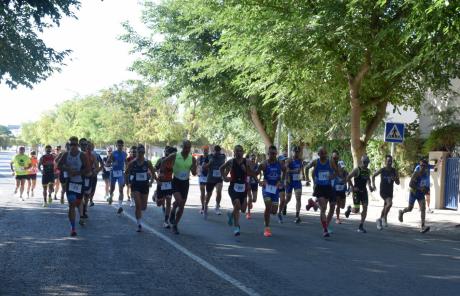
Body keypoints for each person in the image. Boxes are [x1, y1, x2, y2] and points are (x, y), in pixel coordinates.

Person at [161, 140, 197, 234]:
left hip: (185, 183)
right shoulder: (175, 155)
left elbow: (194, 172)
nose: (187, 149)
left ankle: (175, 225)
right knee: (179, 200)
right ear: (182, 147)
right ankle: (172, 211)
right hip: (176, 181)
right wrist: (161, 173)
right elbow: (163, 162)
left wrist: (194, 171)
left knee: (181, 206)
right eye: (185, 147)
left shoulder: (192, 158)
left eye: (189, 148)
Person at [220, 145, 257, 236]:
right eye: (237, 151)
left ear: (243, 152)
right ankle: (237, 227)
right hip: (233, 187)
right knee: (237, 204)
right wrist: (224, 177)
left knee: (243, 209)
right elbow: (221, 168)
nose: (238, 152)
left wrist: (246, 171)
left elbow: (252, 173)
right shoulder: (231, 162)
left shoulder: (247, 162)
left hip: (243, 187)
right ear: (234, 152)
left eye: (240, 151)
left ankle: (231, 215)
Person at [57, 136, 89, 236]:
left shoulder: (82, 155)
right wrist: (67, 170)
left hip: (79, 183)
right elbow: (58, 166)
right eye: (71, 144)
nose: (73, 146)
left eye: (75, 144)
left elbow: (88, 169)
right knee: (71, 205)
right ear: (69, 145)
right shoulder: (66, 155)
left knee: (78, 203)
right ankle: (73, 228)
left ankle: (80, 216)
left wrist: (78, 173)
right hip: (70, 183)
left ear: (78, 145)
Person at [305, 147, 339, 237]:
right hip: (319, 187)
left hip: (328, 187)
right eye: (321, 153)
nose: (323, 155)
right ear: (318, 154)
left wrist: (333, 176)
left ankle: (313, 204)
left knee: (326, 208)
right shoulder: (315, 162)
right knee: (323, 208)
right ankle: (325, 229)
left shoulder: (330, 162)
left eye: (324, 153)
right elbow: (306, 168)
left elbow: (337, 171)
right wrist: (307, 179)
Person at [257, 145, 286, 237]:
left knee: (273, 211)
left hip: (275, 189)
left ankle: (266, 215)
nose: (272, 155)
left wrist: (281, 181)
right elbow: (256, 173)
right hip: (266, 188)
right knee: (268, 205)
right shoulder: (264, 164)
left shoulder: (280, 164)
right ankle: (267, 227)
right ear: (268, 154)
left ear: (276, 154)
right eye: (271, 153)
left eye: (274, 154)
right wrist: (259, 181)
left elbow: (285, 171)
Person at [126, 144, 155, 232]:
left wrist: (151, 182)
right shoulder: (132, 162)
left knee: (144, 207)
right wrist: (128, 182)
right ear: (137, 152)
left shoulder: (147, 162)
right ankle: (139, 224)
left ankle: (154, 197)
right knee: (138, 205)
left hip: (145, 185)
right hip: (135, 186)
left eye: (142, 152)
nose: (141, 154)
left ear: (144, 153)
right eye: (139, 152)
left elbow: (153, 173)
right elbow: (126, 172)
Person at [398, 159, 431, 233]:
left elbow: (426, 184)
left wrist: (426, 189)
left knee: (423, 208)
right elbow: (410, 184)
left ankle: (422, 226)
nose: (422, 167)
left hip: (421, 194)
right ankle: (402, 212)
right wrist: (420, 188)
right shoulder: (416, 173)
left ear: (426, 167)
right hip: (413, 193)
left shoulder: (426, 174)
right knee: (410, 208)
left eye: (424, 166)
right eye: (421, 165)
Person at [345, 155, 374, 233]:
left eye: (367, 162)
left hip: (364, 191)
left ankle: (361, 225)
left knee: (365, 207)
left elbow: (368, 179)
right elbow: (348, 177)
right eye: (365, 162)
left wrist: (370, 186)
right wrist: (352, 187)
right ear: (362, 162)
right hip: (356, 192)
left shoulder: (368, 171)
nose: (366, 164)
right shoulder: (357, 170)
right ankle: (350, 209)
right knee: (357, 210)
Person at [372, 155, 400, 230]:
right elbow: (373, 176)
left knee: (386, 206)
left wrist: (395, 179)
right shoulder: (382, 170)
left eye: (390, 161)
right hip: (383, 191)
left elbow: (398, 182)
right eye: (388, 161)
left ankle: (379, 220)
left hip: (390, 191)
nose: (389, 163)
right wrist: (373, 185)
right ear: (385, 162)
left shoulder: (394, 171)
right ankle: (384, 218)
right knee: (389, 203)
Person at [155, 146, 176, 228]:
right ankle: (156, 194)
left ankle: (166, 221)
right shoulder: (161, 160)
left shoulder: (174, 162)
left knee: (168, 202)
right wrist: (157, 180)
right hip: (161, 183)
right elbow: (153, 170)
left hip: (169, 183)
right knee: (159, 204)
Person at [203, 145, 226, 218]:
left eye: (218, 151)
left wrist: (225, 174)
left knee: (219, 191)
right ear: (213, 151)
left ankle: (217, 206)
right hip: (210, 179)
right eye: (216, 151)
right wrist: (209, 163)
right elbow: (204, 166)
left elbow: (226, 165)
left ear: (220, 151)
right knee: (209, 194)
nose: (217, 153)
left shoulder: (223, 156)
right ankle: (205, 206)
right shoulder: (209, 157)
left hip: (219, 178)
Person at [285, 146, 304, 224]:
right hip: (290, 181)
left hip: (297, 182)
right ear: (292, 152)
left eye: (297, 152)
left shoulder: (300, 160)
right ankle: (284, 205)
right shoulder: (289, 160)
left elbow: (301, 169)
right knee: (288, 198)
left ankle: (297, 215)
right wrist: (293, 171)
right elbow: (286, 170)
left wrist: (304, 177)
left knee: (298, 198)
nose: (296, 153)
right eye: (295, 152)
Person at [107, 139, 127, 214]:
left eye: (121, 145)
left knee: (121, 189)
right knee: (112, 188)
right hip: (113, 173)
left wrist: (127, 171)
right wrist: (112, 163)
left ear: (123, 146)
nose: (120, 146)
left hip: (120, 173)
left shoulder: (125, 154)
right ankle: (111, 196)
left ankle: (120, 206)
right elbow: (107, 163)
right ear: (116, 146)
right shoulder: (113, 154)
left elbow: (126, 163)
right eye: (119, 145)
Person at [334, 160, 348, 224]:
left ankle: (348, 209)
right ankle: (337, 218)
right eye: (341, 167)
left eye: (343, 167)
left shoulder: (346, 173)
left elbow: (349, 179)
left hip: (343, 191)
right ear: (338, 166)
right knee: (339, 205)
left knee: (342, 206)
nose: (342, 168)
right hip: (336, 191)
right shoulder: (335, 173)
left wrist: (349, 187)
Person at [246, 153, 259, 219]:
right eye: (252, 159)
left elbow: (259, 173)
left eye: (254, 159)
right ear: (249, 159)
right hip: (248, 183)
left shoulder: (257, 165)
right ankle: (248, 213)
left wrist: (258, 180)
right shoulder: (247, 165)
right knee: (250, 198)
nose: (253, 160)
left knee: (254, 199)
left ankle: (250, 203)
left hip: (255, 184)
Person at [88, 142, 102, 207]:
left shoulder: (96, 155)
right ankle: (85, 200)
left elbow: (102, 164)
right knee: (87, 187)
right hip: (86, 174)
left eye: (91, 146)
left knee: (93, 187)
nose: (89, 147)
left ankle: (91, 200)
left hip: (93, 173)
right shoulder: (82, 154)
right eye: (88, 146)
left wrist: (97, 171)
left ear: (93, 147)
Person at [198, 146, 210, 214]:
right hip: (202, 176)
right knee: (202, 191)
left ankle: (205, 204)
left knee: (208, 192)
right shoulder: (200, 157)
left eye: (206, 150)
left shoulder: (210, 157)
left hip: (208, 176)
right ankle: (202, 206)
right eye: (204, 150)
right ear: (202, 150)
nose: (205, 151)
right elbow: (197, 166)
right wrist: (198, 172)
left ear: (208, 150)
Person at [276, 154, 288, 223]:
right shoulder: (275, 166)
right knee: (272, 204)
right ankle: (267, 215)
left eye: (284, 160)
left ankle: (279, 213)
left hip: (281, 185)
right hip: (274, 185)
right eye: (282, 160)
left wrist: (284, 183)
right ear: (278, 161)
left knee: (283, 200)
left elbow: (284, 176)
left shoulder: (284, 168)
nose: (284, 161)